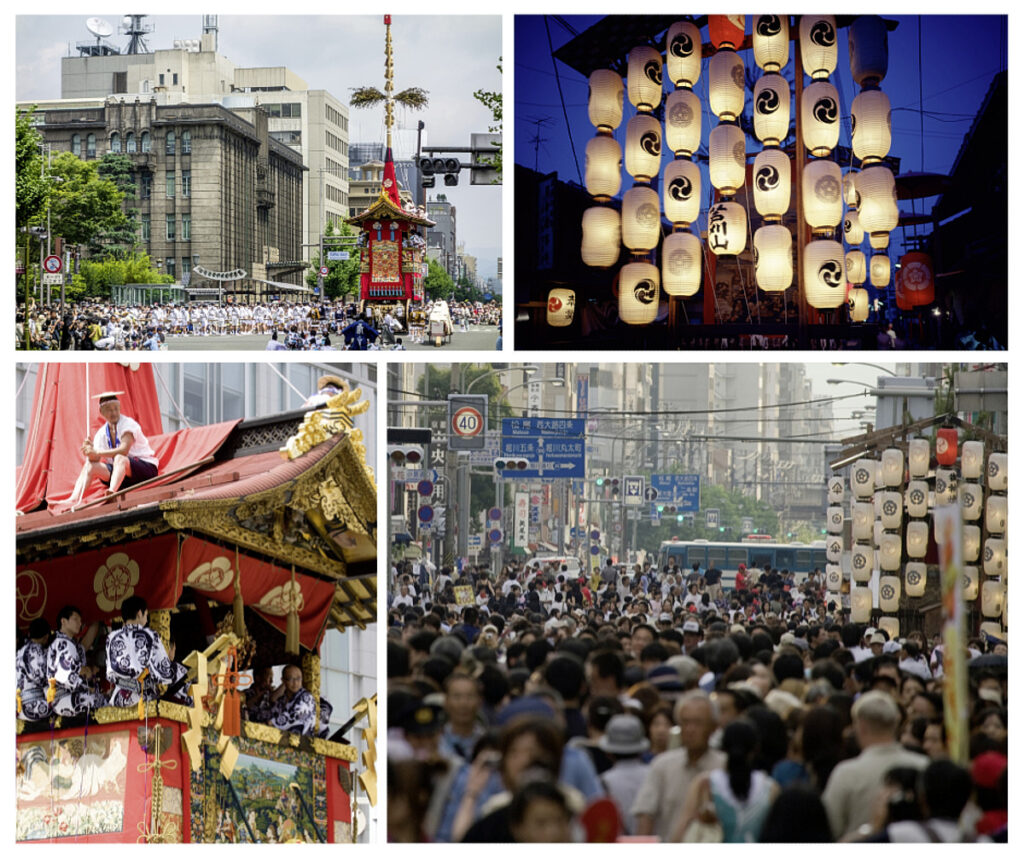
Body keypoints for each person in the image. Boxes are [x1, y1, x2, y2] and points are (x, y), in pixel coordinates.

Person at [821, 690, 928, 840]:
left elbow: (830, 827)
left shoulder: (846, 773)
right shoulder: (924, 766)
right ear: (896, 723)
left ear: (861, 726)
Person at [631, 691, 726, 840]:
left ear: (713, 727)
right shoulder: (662, 765)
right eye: (685, 722)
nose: (690, 729)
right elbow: (645, 816)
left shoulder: (724, 767)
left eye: (698, 723)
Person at [68, 392, 159, 507]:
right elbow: (96, 458)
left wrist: (97, 452)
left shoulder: (128, 424)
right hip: (122, 476)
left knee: (120, 458)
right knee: (90, 466)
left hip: (144, 469)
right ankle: (74, 498)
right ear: (102, 412)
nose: (114, 412)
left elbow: (123, 450)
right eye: (109, 410)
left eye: (116, 408)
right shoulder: (101, 433)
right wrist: (90, 451)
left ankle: (112, 492)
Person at [106, 595, 179, 707]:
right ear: (139, 613)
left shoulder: (111, 638)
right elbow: (164, 674)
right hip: (142, 698)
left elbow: (111, 675)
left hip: (118, 698)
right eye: (146, 614)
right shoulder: (150, 635)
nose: (146, 617)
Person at [47, 604, 106, 716]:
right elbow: (65, 672)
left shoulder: (72, 645)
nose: (79, 623)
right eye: (75, 619)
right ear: (63, 621)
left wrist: (98, 615)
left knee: (103, 699)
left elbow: (86, 643)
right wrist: (84, 670)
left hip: (72, 695)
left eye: (80, 620)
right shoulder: (61, 643)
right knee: (103, 702)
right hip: (63, 697)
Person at [16, 618, 53, 721]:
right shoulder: (37, 650)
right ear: (46, 636)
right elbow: (42, 678)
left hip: (19, 708)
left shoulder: (19, 652)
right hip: (34, 705)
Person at [267, 664, 318, 736]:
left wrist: (272, 722)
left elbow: (295, 717)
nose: (295, 682)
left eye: (298, 678)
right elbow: (271, 713)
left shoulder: (306, 697)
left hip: (302, 742)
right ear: (283, 681)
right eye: (291, 679)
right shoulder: (281, 700)